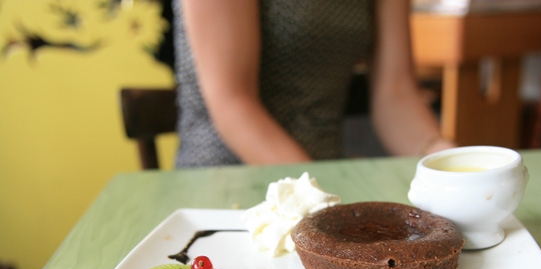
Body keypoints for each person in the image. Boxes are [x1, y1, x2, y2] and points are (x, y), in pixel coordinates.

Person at [172, 0, 454, 168]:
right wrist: (317, 196)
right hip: (228, 178)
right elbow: (232, 103)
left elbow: (396, 93)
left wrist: (450, 161)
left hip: (329, 174)